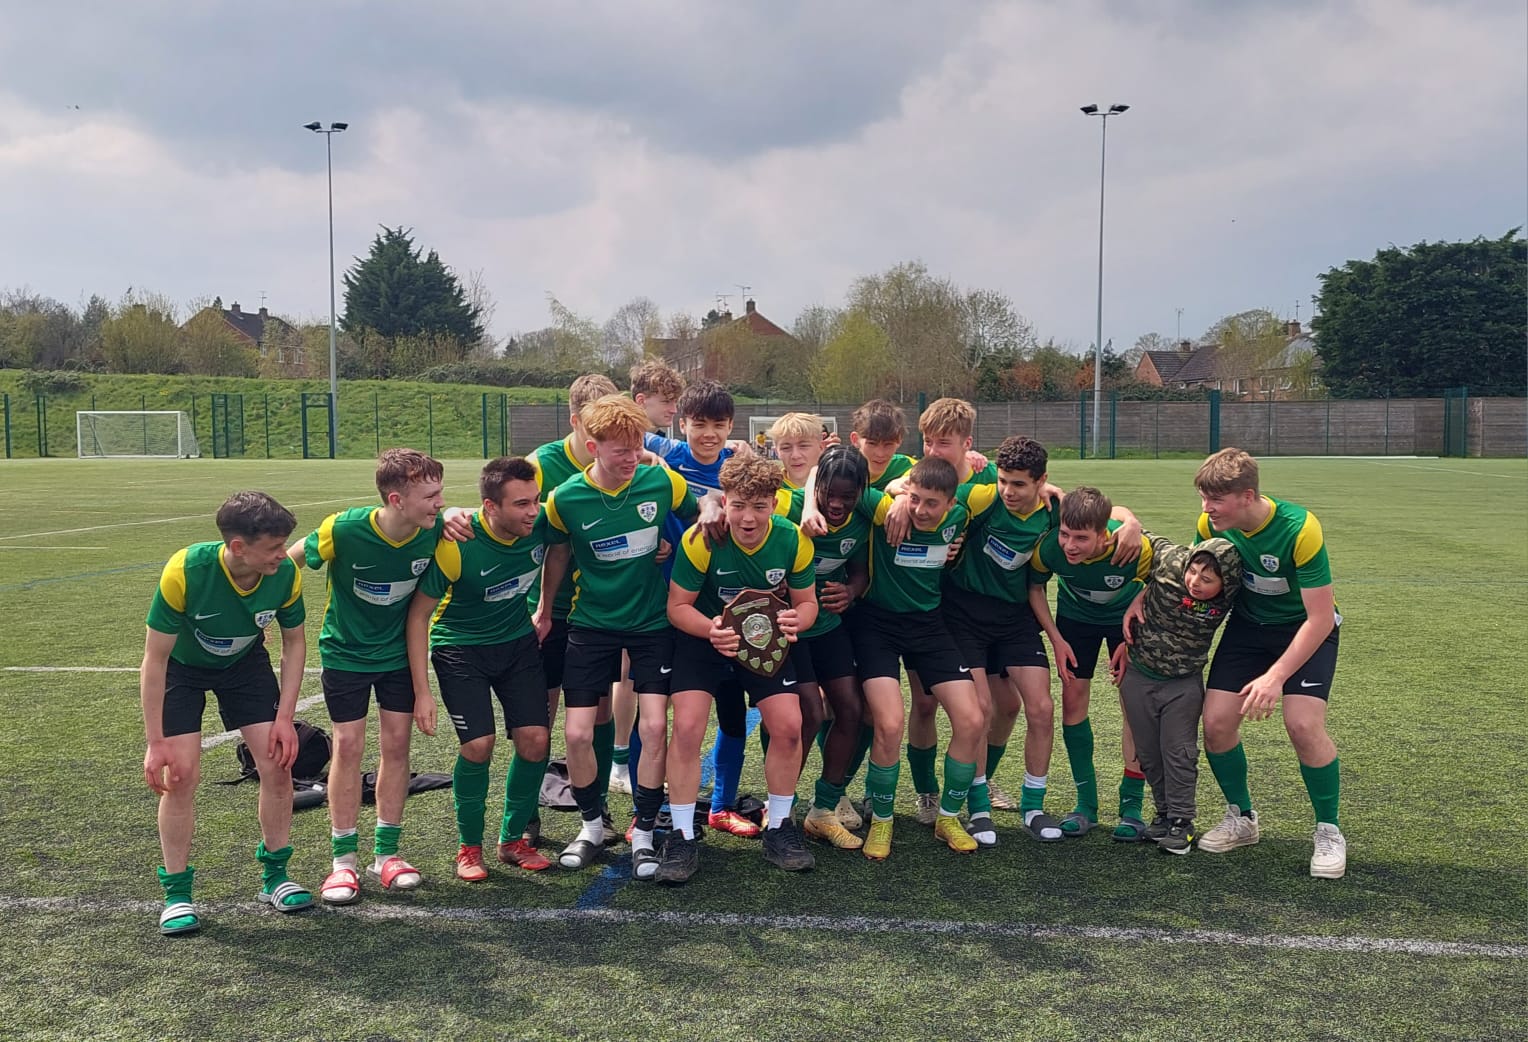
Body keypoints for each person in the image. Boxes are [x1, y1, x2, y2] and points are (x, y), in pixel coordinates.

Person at [538, 394, 708, 877]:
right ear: (593, 447)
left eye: (637, 447)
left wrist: (688, 530)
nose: (633, 457)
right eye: (621, 450)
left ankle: (646, 833)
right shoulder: (566, 498)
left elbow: (700, 515)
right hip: (591, 624)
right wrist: (544, 610)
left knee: (652, 728)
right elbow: (556, 553)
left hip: (652, 624)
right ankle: (592, 826)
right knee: (576, 733)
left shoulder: (662, 480)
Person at [141, 490, 312, 935]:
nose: (283, 554)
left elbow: (294, 643)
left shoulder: (285, 575)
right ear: (238, 546)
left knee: (277, 765)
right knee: (181, 776)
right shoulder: (185, 571)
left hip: (244, 666)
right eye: (274, 547)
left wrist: (285, 718)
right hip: (182, 670)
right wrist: (156, 742)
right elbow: (155, 659)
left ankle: (275, 877)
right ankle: (177, 895)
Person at [290, 449, 447, 904]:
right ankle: (343, 862)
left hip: (397, 656)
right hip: (345, 653)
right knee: (348, 745)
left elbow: (467, 516)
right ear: (397, 500)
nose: (439, 503)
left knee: (397, 746)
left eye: (441, 494)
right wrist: (262, 612)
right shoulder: (343, 529)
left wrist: (424, 690)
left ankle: (386, 855)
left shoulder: (435, 530)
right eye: (430, 495)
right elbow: (287, 561)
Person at [1184, 448, 1346, 879]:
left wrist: (1275, 677)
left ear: (1247, 496)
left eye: (1216, 499)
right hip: (1248, 629)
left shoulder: (1300, 529)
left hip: (1304, 629)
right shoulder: (1210, 526)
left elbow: (1319, 618)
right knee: (1216, 723)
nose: (1207, 508)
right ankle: (1242, 818)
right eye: (1204, 498)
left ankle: (1329, 830)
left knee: (1303, 725)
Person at [663, 455, 820, 880]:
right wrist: (712, 630)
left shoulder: (793, 540)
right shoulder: (702, 539)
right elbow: (677, 607)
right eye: (738, 506)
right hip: (704, 637)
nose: (747, 518)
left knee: (789, 724)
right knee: (687, 727)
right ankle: (681, 835)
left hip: (763, 639)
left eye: (759, 507)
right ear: (725, 501)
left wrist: (798, 619)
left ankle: (779, 826)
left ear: (775, 503)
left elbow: (807, 603)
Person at [406, 457, 556, 879]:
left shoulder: (543, 522)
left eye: (536, 500)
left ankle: (512, 841)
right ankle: (469, 847)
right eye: (521, 504)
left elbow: (578, 527)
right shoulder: (459, 543)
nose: (533, 511)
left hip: (518, 643)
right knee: (478, 746)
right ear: (490, 507)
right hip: (460, 647)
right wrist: (422, 691)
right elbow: (418, 616)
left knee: (535, 740)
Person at [850, 457, 985, 859]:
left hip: (929, 625)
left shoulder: (961, 515)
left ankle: (948, 818)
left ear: (950, 504)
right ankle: (883, 821)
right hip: (877, 625)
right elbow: (830, 482)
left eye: (932, 503)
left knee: (972, 718)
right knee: (889, 723)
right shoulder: (886, 508)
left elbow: (1007, 488)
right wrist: (895, 495)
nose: (921, 510)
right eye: (916, 499)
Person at [644, 380, 759, 838]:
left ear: (731, 426)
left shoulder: (739, 463)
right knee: (656, 712)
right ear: (682, 424)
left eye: (719, 424)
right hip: (664, 601)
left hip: (722, 604)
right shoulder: (665, 457)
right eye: (699, 423)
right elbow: (617, 433)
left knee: (731, 709)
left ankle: (721, 805)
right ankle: (648, 807)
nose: (708, 434)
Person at [938, 436, 1056, 848]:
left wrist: (1128, 523)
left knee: (1039, 707)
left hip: (1015, 618)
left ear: (1041, 481)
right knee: (982, 708)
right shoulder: (981, 498)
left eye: (1019, 484)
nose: (1008, 491)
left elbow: (1108, 515)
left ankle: (1033, 808)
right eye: (1004, 480)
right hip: (964, 614)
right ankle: (978, 808)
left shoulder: (1054, 512)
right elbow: (924, 489)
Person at [1028, 487, 1153, 842]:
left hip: (1125, 624)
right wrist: (1056, 638)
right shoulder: (1049, 548)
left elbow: (1160, 585)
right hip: (1075, 620)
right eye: (1066, 534)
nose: (1070, 545)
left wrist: (1131, 638)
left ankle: (1132, 807)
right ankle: (1086, 805)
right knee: (1072, 702)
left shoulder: (1133, 548)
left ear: (1104, 534)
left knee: (1134, 706)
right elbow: (1035, 588)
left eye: (1081, 538)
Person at [1110, 534, 1243, 854]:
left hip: (1183, 683)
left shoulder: (1235, 592)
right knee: (1148, 751)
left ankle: (1182, 822)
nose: (1195, 582)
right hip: (1138, 674)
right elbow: (1130, 528)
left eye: (1207, 580)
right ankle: (1164, 814)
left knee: (1178, 751)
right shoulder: (1170, 560)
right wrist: (1141, 592)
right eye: (1193, 572)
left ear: (1225, 584)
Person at [778, 445, 875, 849]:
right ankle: (780, 809)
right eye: (829, 495)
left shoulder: (864, 517)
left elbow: (860, 573)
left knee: (852, 709)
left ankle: (823, 809)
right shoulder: (790, 507)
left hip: (829, 626)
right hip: (789, 629)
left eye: (847, 497)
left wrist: (851, 591)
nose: (836, 504)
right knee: (808, 714)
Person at [612, 360, 688, 795]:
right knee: (627, 670)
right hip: (631, 574)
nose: (674, 410)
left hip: (660, 570)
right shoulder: (639, 444)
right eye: (667, 402)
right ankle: (621, 759)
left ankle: (627, 758)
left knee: (641, 672)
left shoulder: (660, 444)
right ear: (640, 402)